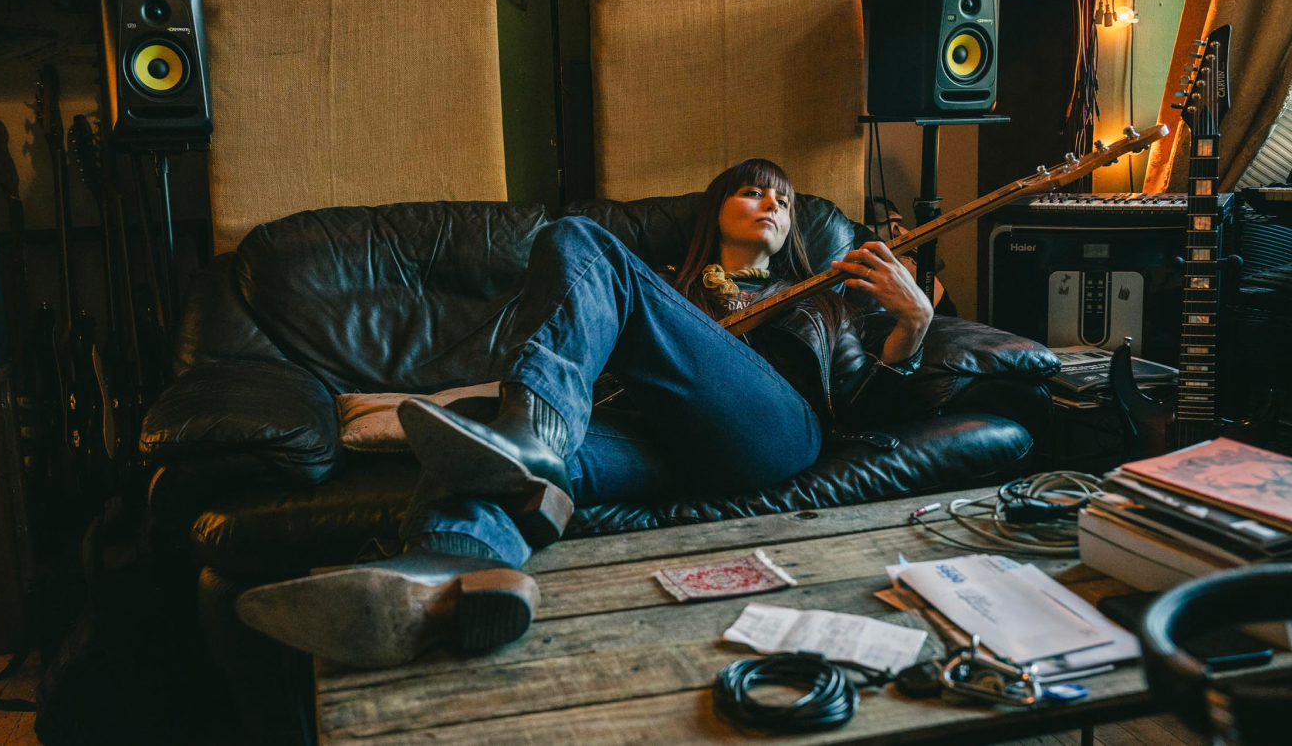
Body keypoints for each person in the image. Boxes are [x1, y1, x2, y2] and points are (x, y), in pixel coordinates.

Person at [236, 158, 934, 668]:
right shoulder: (661, 288)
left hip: (773, 433)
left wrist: (913, 326)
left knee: (579, 240)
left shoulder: (822, 297)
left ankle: (531, 434)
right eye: (750, 192)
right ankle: (453, 578)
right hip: (652, 443)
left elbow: (863, 411)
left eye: (781, 201)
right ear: (713, 208)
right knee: (475, 440)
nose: (770, 205)